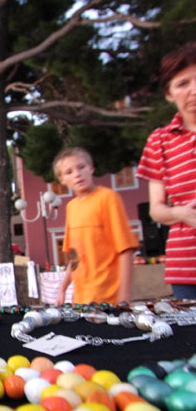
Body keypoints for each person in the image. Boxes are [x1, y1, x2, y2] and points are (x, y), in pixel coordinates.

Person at [136, 42, 196, 300]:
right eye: (182, 83)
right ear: (169, 94)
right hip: (186, 267)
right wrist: (181, 213)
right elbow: (156, 210)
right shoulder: (159, 140)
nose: (194, 90)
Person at [54, 147, 138, 306]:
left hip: (109, 299)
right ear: (61, 180)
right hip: (81, 301)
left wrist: (124, 298)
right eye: (69, 172)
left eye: (81, 167)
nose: (77, 174)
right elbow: (75, 257)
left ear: (91, 168)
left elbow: (126, 250)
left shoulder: (108, 198)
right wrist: (63, 289)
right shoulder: (71, 207)